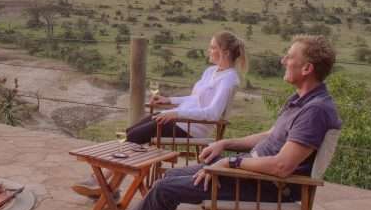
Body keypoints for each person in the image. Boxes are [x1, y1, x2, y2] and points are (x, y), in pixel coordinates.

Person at [71, 35, 343, 210]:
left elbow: (282, 167)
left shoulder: (315, 111)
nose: (283, 60)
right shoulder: (301, 101)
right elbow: (270, 136)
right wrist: (226, 145)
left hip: (266, 185)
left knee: (167, 189)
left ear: (307, 68)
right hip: (252, 172)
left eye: (289, 57)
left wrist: (231, 163)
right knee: (167, 181)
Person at [72, 31, 246, 197]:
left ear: (224, 52)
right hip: (181, 119)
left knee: (135, 135)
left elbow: (213, 113)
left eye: (212, 47)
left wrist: (176, 113)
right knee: (131, 132)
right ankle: (109, 186)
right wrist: (168, 100)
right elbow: (195, 99)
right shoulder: (211, 72)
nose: (208, 50)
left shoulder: (229, 79)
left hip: (192, 127)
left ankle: (103, 183)